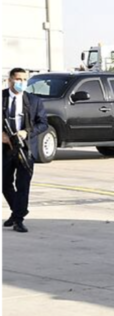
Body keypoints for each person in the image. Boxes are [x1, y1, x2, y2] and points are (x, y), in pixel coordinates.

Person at [2, 67, 48, 233]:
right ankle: (18, 211)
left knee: (23, 185)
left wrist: (26, 132)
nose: (21, 83)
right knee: (4, 183)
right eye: (18, 79)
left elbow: (43, 123)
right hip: (5, 149)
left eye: (24, 80)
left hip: (26, 148)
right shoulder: (2, 98)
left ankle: (18, 219)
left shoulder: (34, 101)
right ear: (10, 80)